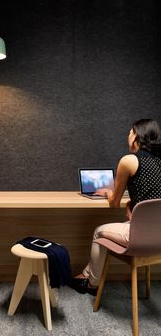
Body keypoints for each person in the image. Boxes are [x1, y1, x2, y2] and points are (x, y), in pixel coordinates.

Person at [69, 119, 161, 295]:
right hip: (158, 236)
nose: (127, 136)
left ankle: (91, 284)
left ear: (138, 136)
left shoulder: (129, 160)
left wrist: (106, 193)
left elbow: (114, 202)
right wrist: (131, 204)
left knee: (98, 232)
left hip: (140, 235)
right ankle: (86, 274)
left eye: (130, 132)